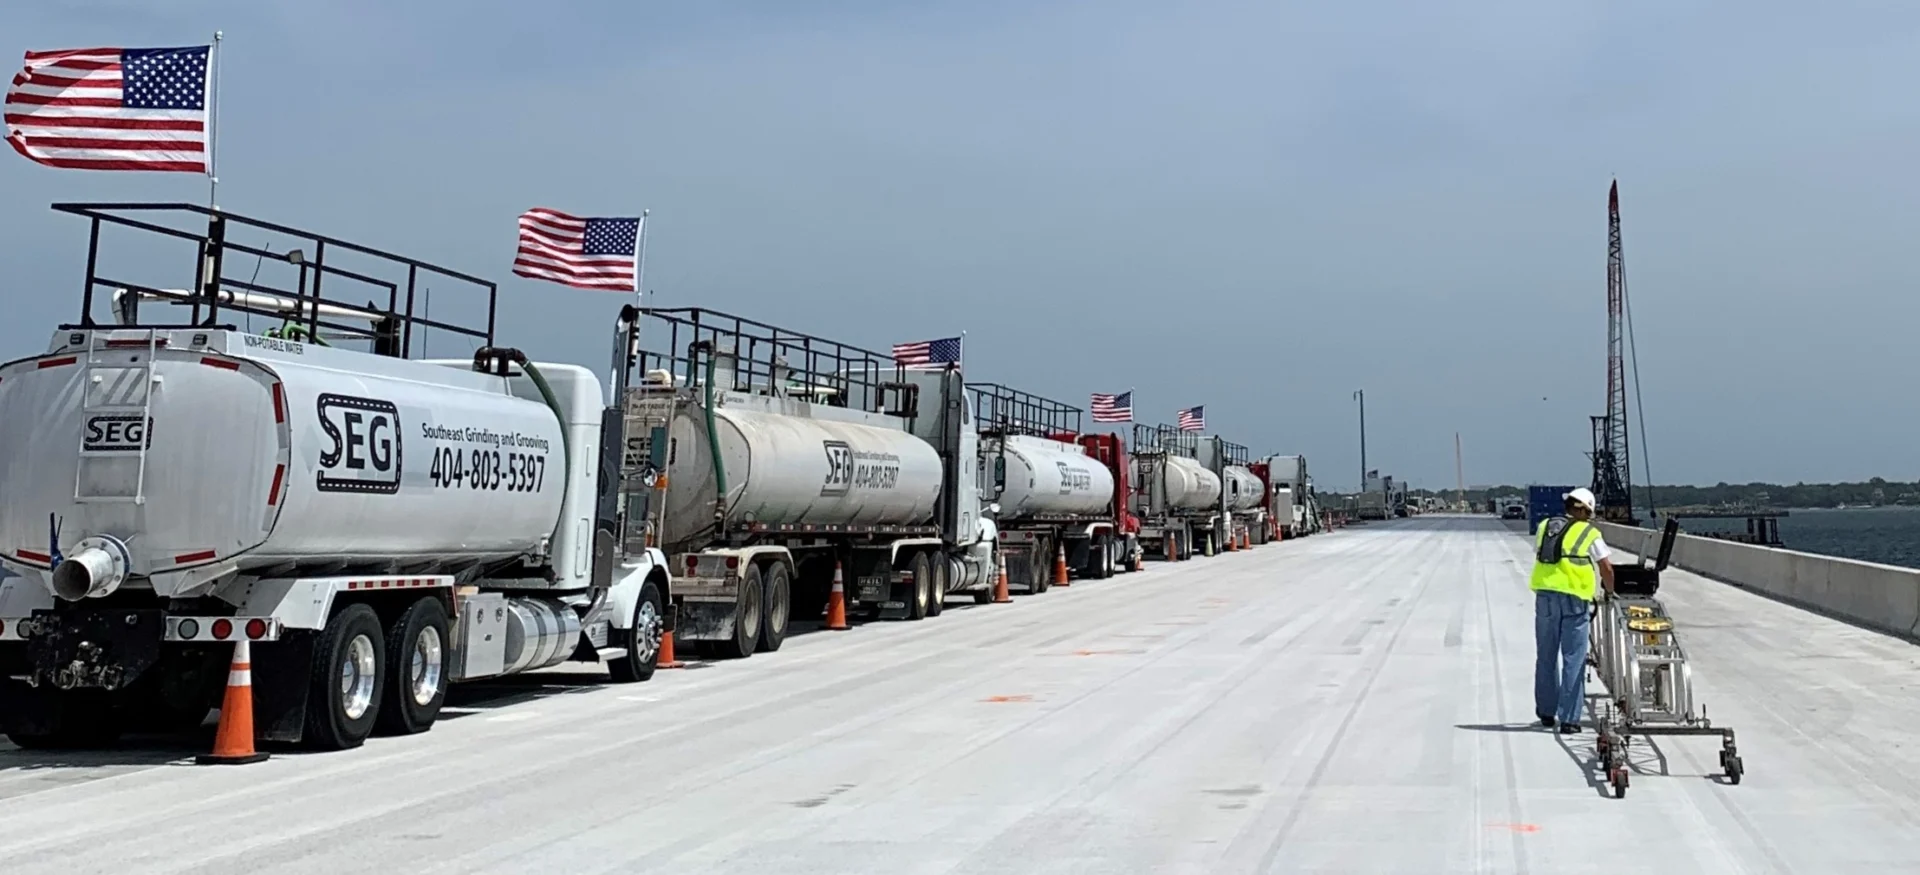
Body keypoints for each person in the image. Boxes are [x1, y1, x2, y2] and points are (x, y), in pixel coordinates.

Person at [1530, 487, 1614, 733]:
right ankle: (1569, 720)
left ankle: (1546, 713)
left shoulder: (1545, 526)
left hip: (1545, 597)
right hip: (1575, 600)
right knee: (1573, 659)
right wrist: (1609, 591)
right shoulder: (1589, 532)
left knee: (1546, 656)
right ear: (1587, 511)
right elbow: (1606, 568)